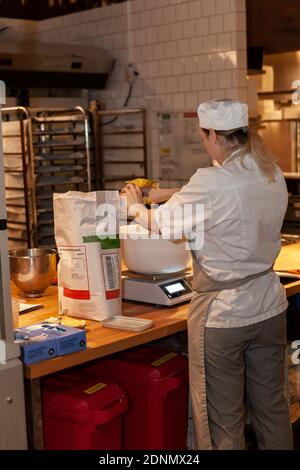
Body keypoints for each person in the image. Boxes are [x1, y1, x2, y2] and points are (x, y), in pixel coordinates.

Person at [121, 99, 293, 450]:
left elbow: (165, 224)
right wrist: (164, 193)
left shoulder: (212, 181)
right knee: (273, 409)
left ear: (212, 134)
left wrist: (135, 207)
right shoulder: (270, 170)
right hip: (269, 306)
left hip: (225, 316)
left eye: (203, 136)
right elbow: (220, 196)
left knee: (224, 421)